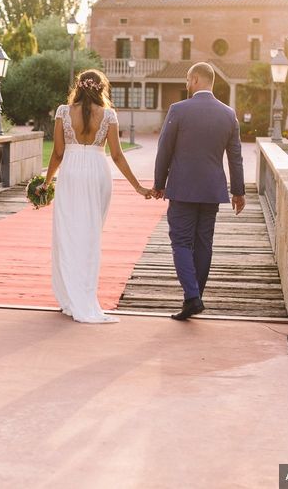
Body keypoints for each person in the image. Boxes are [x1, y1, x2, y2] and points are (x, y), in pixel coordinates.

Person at [41, 69, 152, 324]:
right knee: (90, 236)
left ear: (78, 87)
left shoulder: (62, 112)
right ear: (101, 88)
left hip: (70, 172)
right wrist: (138, 187)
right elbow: (117, 155)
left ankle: (70, 297)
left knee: (67, 235)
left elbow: (57, 153)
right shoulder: (109, 115)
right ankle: (83, 295)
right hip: (97, 173)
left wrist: (46, 184)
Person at [152, 62, 246, 321]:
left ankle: (192, 297)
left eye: (187, 79)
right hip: (211, 191)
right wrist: (238, 192)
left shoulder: (178, 110)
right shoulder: (228, 114)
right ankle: (194, 298)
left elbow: (164, 151)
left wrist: (159, 184)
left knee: (181, 242)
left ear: (195, 79)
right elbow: (235, 157)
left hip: (182, 189)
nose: (185, 83)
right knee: (204, 244)